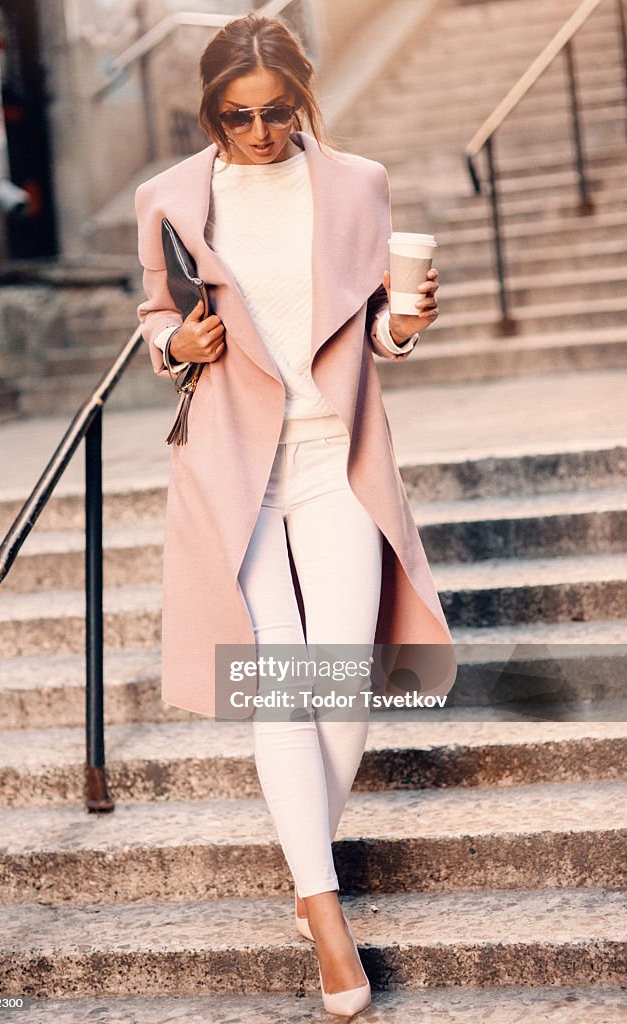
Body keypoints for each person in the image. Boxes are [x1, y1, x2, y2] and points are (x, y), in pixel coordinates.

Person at [134, 12, 455, 1019]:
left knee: (348, 671)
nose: (259, 132)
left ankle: (302, 849)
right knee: (280, 674)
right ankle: (324, 918)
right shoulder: (173, 197)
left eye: (276, 112)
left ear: (304, 101)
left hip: (334, 459)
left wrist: (401, 328)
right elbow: (154, 314)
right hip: (233, 468)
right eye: (237, 116)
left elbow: (366, 319)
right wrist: (179, 345)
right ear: (210, 110)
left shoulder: (354, 183)